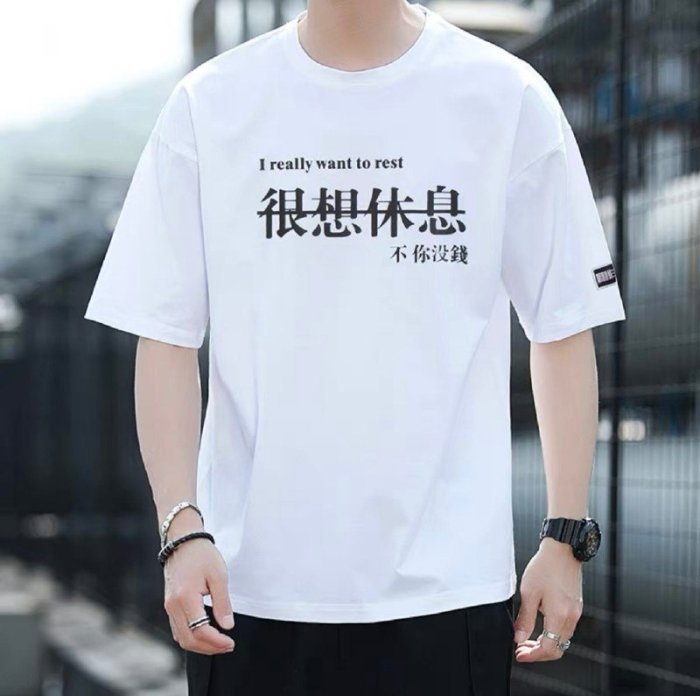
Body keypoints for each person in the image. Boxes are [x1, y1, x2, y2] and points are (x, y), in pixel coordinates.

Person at [83, 1, 627, 694]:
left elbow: (562, 323)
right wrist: (181, 528)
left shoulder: (505, 97)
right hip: (251, 591)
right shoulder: (211, 105)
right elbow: (164, 336)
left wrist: (566, 535)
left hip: (448, 590)